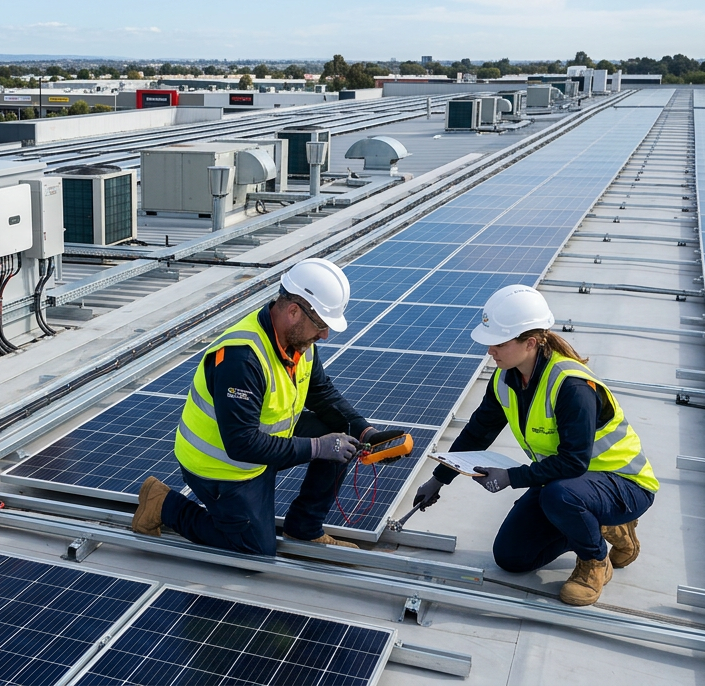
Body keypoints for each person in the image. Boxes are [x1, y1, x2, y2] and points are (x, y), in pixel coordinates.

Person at [412, 285, 658, 606]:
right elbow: (477, 431)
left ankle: (595, 560)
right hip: (567, 483)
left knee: (561, 497)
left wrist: (511, 477)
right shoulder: (505, 378)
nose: (490, 351)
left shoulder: (572, 386)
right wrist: (438, 479)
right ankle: (597, 526)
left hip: (622, 484)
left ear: (529, 343)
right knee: (512, 557)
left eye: (498, 343)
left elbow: (573, 462)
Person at [131, 258, 377, 555]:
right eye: (321, 325)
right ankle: (163, 503)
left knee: (343, 435)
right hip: (222, 465)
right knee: (255, 549)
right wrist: (317, 448)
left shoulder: (298, 343)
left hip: (261, 446)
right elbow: (241, 444)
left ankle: (304, 528)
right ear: (294, 311)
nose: (324, 335)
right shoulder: (241, 358)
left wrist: (365, 432)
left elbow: (322, 394)